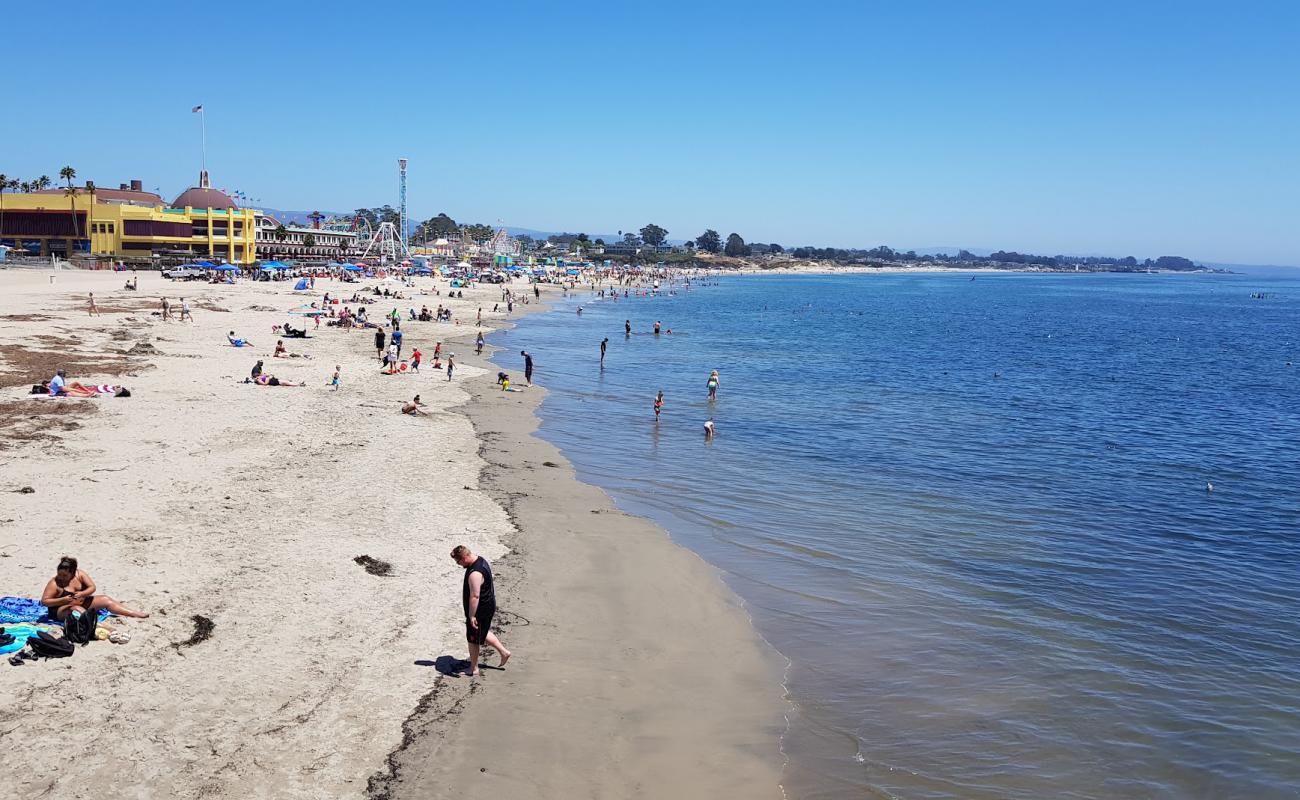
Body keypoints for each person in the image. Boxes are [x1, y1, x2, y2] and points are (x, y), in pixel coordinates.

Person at [450, 545, 510, 677]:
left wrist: (472, 616)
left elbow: (475, 596)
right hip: (487, 606)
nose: (458, 565)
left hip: (480, 610)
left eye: (458, 561)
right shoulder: (480, 560)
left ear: (464, 557)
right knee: (482, 632)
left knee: (473, 640)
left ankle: (474, 669)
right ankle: (504, 652)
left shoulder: (475, 573)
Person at [41, 556, 148, 621]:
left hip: (81, 601)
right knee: (77, 610)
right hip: (62, 609)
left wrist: (82, 594)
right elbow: (45, 602)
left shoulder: (80, 574)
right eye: (59, 574)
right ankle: (99, 625)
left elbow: (92, 587)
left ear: (73, 573)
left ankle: (133, 613)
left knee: (106, 599)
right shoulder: (54, 583)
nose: (61, 577)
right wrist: (63, 600)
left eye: (65, 575)